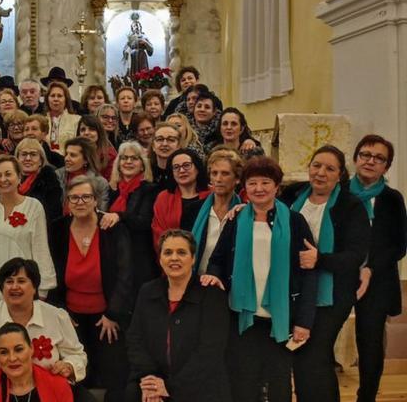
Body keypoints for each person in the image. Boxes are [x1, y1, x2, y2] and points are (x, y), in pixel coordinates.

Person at [203, 156, 318, 402]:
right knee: (243, 381)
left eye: (265, 182)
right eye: (252, 183)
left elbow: (309, 274)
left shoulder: (295, 222)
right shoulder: (236, 220)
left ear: (277, 186)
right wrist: (213, 275)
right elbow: (217, 259)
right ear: (245, 188)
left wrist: (304, 321)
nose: (259, 189)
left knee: (279, 384)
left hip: (281, 317)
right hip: (243, 316)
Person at [280, 145, 370, 402]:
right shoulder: (292, 195)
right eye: (316, 165)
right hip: (295, 290)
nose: (320, 172)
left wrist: (320, 259)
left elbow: (355, 256)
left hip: (332, 294)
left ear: (340, 174)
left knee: (314, 355)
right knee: (299, 356)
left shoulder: (351, 206)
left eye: (329, 168)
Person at [49, 176, 132, 399]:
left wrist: (112, 313)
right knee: (75, 375)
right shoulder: (57, 229)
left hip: (107, 316)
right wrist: (61, 312)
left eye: (86, 197)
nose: (79, 202)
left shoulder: (111, 227)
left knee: (113, 375)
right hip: (70, 316)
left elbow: (125, 273)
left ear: (96, 200)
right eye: (73, 198)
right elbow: (50, 272)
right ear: (67, 202)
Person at [126, 229, 231, 402]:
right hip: (155, 380)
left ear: (193, 258)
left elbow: (210, 351)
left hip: (199, 386)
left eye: (181, 252)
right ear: (160, 259)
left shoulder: (212, 295)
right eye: (168, 252)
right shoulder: (147, 291)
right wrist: (151, 381)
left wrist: (169, 387)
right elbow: (135, 339)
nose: (174, 258)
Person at [0, 259, 88, 385]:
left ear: (35, 287)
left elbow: (77, 354)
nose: (14, 287)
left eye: (21, 281)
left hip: (47, 390)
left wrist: (69, 366)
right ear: (1, 288)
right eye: (9, 281)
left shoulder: (56, 316)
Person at [350, 135, 407, 402]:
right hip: (339, 274)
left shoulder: (392, 199)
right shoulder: (338, 192)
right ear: (355, 159)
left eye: (379, 158)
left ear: (386, 166)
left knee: (370, 343)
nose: (370, 161)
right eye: (365, 155)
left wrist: (370, 268)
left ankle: (367, 396)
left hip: (377, 278)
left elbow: (398, 246)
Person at [0, 155, 55, 302]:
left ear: (19, 177)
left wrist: (43, 290)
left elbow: (40, 248)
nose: (3, 179)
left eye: (8, 174)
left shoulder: (33, 206)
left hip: (19, 285)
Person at [102, 141, 159, 299]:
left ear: (142, 165)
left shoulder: (150, 189)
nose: (128, 162)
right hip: (114, 255)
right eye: (124, 158)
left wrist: (120, 216)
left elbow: (145, 222)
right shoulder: (112, 190)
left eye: (134, 158)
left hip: (139, 258)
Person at [0, 323, 74, 402]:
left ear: (31, 348)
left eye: (18, 349)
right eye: (4, 352)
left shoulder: (58, 385)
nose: (12, 358)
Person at [194, 148, 242, 274]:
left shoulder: (243, 213)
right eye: (214, 173)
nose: (218, 179)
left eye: (225, 173)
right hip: (197, 282)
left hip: (230, 283)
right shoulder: (194, 210)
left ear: (237, 179)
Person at [151, 148, 210, 250]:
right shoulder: (163, 198)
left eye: (186, 165)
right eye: (176, 167)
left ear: (197, 167)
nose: (181, 170)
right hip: (174, 256)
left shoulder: (212, 195)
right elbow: (158, 232)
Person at [14, 138, 62, 229]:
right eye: (24, 154)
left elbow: (53, 215)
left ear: (41, 160)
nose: (28, 158)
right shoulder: (11, 181)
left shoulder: (49, 181)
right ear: (17, 159)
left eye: (33, 154)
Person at [55, 137, 109, 211]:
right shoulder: (56, 176)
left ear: (86, 160)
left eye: (73, 155)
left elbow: (101, 212)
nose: (67, 158)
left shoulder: (100, 183)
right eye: (66, 154)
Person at [77, 115, 116, 180]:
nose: (86, 133)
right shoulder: (73, 153)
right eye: (83, 130)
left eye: (91, 129)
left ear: (99, 133)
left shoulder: (109, 155)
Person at [45, 82, 80, 154]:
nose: (56, 99)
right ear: (47, 99)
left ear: (66, 99)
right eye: (52, 96)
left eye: (60, 96)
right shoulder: (41, 121)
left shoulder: (77, 120)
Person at [149, 122, 179, 187]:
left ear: (178, 146)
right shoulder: (145, 173)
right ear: (153, 146)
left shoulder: (184, 173)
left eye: (171, 140)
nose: (165, 144)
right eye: (160, 139)